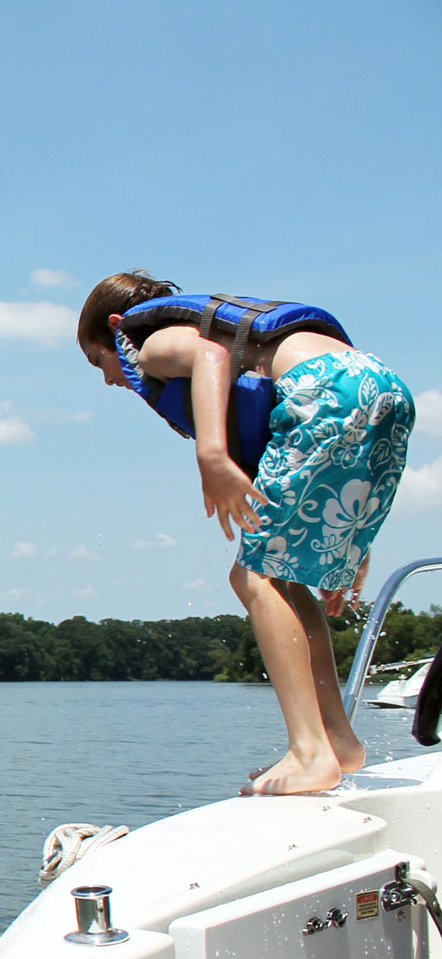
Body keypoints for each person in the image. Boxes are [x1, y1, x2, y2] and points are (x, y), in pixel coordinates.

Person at [77, 274, 417, 795]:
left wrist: (210, 454)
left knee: (253, 577)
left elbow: (209, 354)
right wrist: (355, 543)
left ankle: (310, 750)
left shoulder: (151, 343)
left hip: (322, 389)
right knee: (283, 579)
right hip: (379, 387)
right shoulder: (258, 345)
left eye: (98, 360)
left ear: (116, 329)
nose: (108, 378)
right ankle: (337, 740)